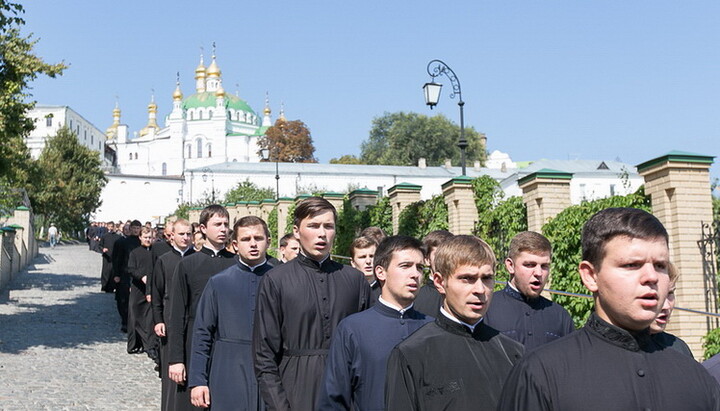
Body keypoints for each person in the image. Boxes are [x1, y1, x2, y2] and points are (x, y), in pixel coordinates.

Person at [498, 207, 720, 410]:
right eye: (631, 265)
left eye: (660, 265)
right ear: (590, 275)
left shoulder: (695, 377)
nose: (651, 277)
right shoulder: (541, 374)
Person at [253, 197, 372, 410]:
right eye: (313, 226)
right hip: (294, 391)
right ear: (297, 231)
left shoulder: (354, 280)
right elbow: (264, 356)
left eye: (328, 226)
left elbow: (367, 348)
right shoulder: (276, 280)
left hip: (347, 393)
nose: (322, 233)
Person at [385, 235, 524, 410]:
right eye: (467, 278)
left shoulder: (513, 352)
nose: (480, 290)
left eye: (487, 278)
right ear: (439, 282)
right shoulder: (411, 354)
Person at [317, 235, 432, 411]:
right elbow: (333, 399)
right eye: (405, 266)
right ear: (380, 272)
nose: (415, 274)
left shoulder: (433, 329)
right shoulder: (352, 329)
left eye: (420, 267)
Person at [189, 216, 276, 410]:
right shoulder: (218, 282)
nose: (253, 244)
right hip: (228, 369)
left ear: (268, 241)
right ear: (235, 245)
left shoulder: (283, 279)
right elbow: (202, 333)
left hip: (272, 371)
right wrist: (198, 380)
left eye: (258, 238)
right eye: (246, 239)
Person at [167, 205, 236, 411]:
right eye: (217, 224)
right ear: (203, 229)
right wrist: (176, 359)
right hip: (192, 342)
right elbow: (177, 314)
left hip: (226, 343)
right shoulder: (188, 265)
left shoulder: (236, 264)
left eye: (226, 224)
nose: (223, 229)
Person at [484, 231, 574, 350]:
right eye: (530, 265)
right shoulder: (486, 309)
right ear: (510, 266)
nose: (538, 273)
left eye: (544, 266)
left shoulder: (560, 316)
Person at [152, 218, 195, 411]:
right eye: (182, 234)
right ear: (172, 237)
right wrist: (158, 320)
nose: (186, 238)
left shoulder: (198, 259)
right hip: (169, 320)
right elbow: (157, 294)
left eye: (189, 234)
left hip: (193, 320)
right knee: (171, 371)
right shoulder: (164, 261)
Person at [649, 262, 693, 357]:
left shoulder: (679, 349)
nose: (666, 306)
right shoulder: (610, 353)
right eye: (654, 295)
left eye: (670, 293)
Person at [412, 230, 453, 316]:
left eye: (449, 255)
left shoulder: (465, 294)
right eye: (438, 255)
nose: (444, 260)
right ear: (427, 260)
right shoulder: (415, 299)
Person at [127, 226, 154, 354]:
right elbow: (131, 269)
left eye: (150, 237)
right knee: (135, 315)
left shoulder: (155, 252)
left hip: (151, 288)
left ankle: (148, 345)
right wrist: (141, 276)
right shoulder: (135, 253)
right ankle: (134, 344)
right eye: (145, 237)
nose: (148, 240)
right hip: (138, 288)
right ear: (140, 238)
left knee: (149, 318)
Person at [112, 220, 142, 333]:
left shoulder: (142, 242)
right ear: (130, 229)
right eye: (133, 228)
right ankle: (125, 321)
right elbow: (117, 259)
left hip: (139, 274)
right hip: (124, 273)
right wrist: (116, 274)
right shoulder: (123, 242)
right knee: (123, 299)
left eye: (137, 228)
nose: (135, 230)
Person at [99, 221, 121, 293]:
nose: (111, 228)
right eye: (109, 226)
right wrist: (103, 249)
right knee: (105, 271)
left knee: (113, 271)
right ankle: (104, 286)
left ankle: (112, 286)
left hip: (115, 256)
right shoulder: (104, 236)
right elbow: (100, 245)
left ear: (114, 227)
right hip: (106, 256)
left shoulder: (118, 237)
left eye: (112, 226)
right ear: (107, 227)